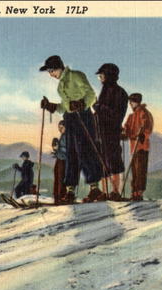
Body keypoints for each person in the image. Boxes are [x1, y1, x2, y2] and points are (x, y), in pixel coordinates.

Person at [39, 55, 104, 203]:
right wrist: (51, 106)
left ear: (58, 68)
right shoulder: (60, 85)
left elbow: (91, 94)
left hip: (84, 117)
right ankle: (70, 191)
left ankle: (95, 189)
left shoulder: (76, 76)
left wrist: (81, 104)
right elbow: (65, 107)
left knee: (86, 151)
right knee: (71, 154)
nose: (50, 74)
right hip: (71, 119)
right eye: (49, 72)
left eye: (51, 71)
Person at [94, 63, 129, 201]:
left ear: (109, 75)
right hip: (101, 131)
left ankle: (115, 191)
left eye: (101, 75)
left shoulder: (119, 93)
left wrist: (100, 108)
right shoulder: (105, 90)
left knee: (113, 161)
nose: (100, 78)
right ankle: (105, 191)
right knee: (102, 161)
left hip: (112, 131)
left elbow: (116, 115)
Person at [122, 93, 154, 201]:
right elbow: (126, 128)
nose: (130, 104)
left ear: (137, 101)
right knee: (134, 170)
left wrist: (143, 134)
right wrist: (123, 134)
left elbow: (148, 126)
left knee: (140, 170)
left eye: (132, 101)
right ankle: (134, 192)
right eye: (129, 102)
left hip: (142, 146)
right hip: (133, 147)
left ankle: (139, 192)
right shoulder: (131, 116)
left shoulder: (144, 112)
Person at [52, 121, 68, 204]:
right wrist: (56, 149)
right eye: (59, 127)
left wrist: (58, 148)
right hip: (59, 158)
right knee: (57, 176)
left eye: (61, 127)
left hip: (64, 160)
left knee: (61, 178)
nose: (60, 129)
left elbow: (67, 149)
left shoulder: (67, 136)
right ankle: (57, 196)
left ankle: (61, 196)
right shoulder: (63, 136)